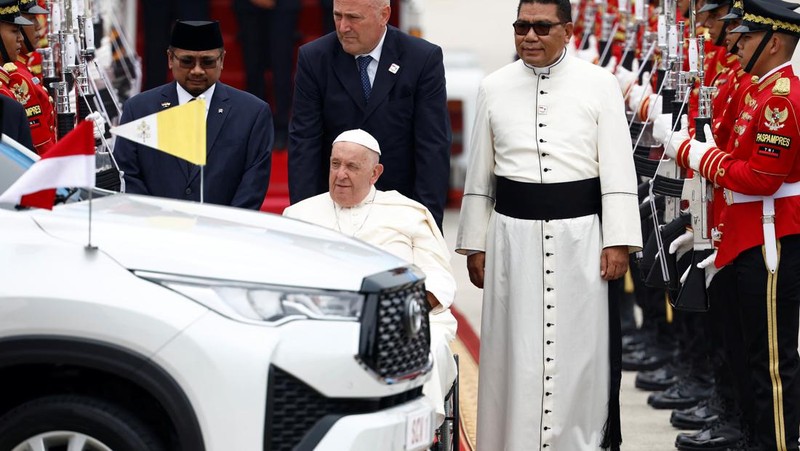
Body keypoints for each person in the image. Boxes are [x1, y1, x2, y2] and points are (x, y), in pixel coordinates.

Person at [455, 0, 642, 449]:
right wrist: (475, 243)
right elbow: (480, 174)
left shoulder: (600, 86)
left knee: (581, 356)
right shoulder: (493, 86)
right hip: (511, 241)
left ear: (568, 30)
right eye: (522, 26)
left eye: (542, 26)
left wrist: (618, 241)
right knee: (513, 355)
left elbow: (618, 170)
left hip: (581, 238)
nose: (530, 36)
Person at [661, 0, 800, 447]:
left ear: (774, 43)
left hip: (770, 239)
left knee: (772, 362)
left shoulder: (780, 100)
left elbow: (761, 177)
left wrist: (695, 154)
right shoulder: (759, 90)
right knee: (746, 349)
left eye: (748, 36)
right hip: (745, 234)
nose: (735, 43)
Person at [283, 128, 458, 427]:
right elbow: (281, 279)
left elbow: (439, 278)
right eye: (335, 164)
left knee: (429, 344)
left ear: (375, 173)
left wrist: (399, 315)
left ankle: (412, 432)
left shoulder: (408, 213)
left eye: (352, 167)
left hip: (400, 320)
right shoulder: (299, 216)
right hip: (319, 319)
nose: (340, 174)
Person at [288, 0, 451, 230]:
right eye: (338, 16)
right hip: (334, 211)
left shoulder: (422, 59)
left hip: (399, 210)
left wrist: (426, 224)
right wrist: (304, 218)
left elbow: (432, 147)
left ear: (384, 15)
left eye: (353, 17)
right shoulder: (314, 58)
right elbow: (304, 143)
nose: (343, 26)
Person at [114, 20, 274, 210]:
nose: (197, 70)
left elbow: (253, 183)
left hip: (225, 233)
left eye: (207, 62)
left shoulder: (252, 113)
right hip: (157, 232)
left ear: (222, 60)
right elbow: (128, 174)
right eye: (187, 61)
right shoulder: (139, 109)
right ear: (170, 59)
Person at [233, 0, 300, 149]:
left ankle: (282, 126)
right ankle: (256, 125)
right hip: (248, 7)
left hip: (283, 6)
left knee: (281, 65)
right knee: (253, 65)